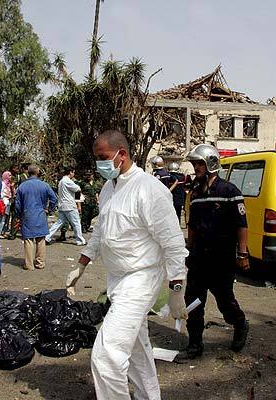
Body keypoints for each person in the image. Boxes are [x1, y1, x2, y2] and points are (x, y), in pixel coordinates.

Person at [66, 130, 188, 399]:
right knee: (136, 348)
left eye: (103, 157)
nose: (99, 163)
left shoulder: (149, 189)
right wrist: (81, 264)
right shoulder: (109, 189)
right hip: (118, 279)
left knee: (107, 355)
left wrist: (177, 290)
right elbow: (100, 231)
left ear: (122, 154)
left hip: (141, 280)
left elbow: (173, 244)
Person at [177, 143, 250, 361]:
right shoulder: (196, 194)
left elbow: (241, 225)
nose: (195, 167)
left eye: (199, 163)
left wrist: (243, 254)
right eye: (194, 163)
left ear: (211, 163)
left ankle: (239, 323)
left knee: (224, 301)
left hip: (222, 258)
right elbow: (192, 225)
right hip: (199, 258)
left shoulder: (229, 192)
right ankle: (195, 345)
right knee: (193, 301)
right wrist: (189, 250)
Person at [14, 164, 57, 270]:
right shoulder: (44, 185)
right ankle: (40, 263)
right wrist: (49, 210)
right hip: (41, 214)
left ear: (28, 172)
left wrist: (18, 216)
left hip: (27, 214)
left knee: (28, 240)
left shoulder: (22, 186)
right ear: (38, 172)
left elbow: (18, 204)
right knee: (41, 239)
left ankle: (29, 265)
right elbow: (54, 199)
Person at [45, 166, 86, 246]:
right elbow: (78, 189)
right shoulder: (67, 181)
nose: (74, 174)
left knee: (59, 223)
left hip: (62, 205)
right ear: (70, 172)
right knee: (76, 223)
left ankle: (47, 237)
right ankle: (80, 240)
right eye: (73, 172)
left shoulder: (61, 181)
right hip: (69, 205)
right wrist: (78, 202)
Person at [0, 170, 13, 239]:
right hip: (3, 203)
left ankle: (2, 231)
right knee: (1, 218)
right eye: (9, 175)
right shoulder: (2, 184)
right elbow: (1, 194)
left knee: (5, 218)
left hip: (7, 203)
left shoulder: (9, 184)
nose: (10, 177)